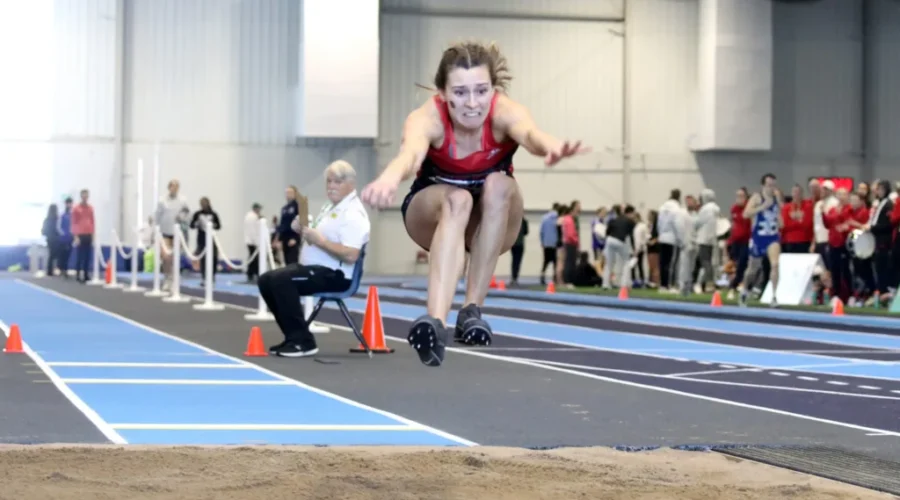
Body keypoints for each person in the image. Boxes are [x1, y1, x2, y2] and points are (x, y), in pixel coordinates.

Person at [360, 40, 590, 367]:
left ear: (493, 89)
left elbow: (531, 135)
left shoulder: (505, 112)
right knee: (459, 199)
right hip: (434, 215)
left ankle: (471, 311)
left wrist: (553, 145)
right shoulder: (427, 118)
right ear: (443, 93)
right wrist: (389, 178)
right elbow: (410, 154)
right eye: (460, 93)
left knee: (499, 184)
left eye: (481, 91)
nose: (472, 104)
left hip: (491, 224)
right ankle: (435, 323)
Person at [259, 160, 370, 358]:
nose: (331, 186)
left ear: (351, 184)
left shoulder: (353, 213)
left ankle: (303, 342)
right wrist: (302, 228)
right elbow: (318, 236)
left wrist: (320, 241)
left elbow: (351, 255)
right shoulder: (330, 207)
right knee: (266, 280)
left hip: (335, 275)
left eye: (337, 182)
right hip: (315, 268)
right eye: (329, 181)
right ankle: (294, 336)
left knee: (281, 280)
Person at [739, 173, 782, 307]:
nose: (771, 188)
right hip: (758, 237)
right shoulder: (757, 197)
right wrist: (763, 207)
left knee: (775, 265)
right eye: (769, 185)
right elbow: (745, 214)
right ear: (763, 185)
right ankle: (745, 290)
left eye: (773, 185)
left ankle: (774, 296)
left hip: (772, 236)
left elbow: (780, 216)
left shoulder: (776, 198)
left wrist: (780, 221)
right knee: (753, 269)